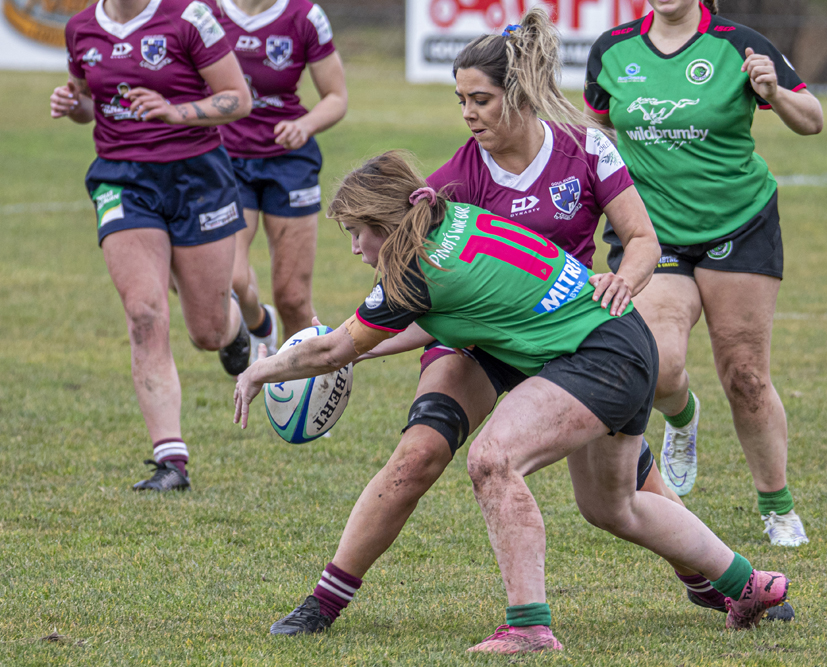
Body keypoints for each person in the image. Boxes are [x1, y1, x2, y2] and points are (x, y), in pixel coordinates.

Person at [262, 10, 789, 636]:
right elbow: (419, 293)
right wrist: (351, 347)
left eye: (479, 99)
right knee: (418, 453)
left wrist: (626, 280)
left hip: (567, 330)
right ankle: (324, 602)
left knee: (621, 485)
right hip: (480, 339)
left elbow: (642, 239)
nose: (467, 113)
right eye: (459, 100)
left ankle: (716, 581)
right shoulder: (453, 182)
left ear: (517, 94)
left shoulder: (584, 146)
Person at [584, 0, 823, 546]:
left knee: (746, 376)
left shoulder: (738, 44)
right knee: (660, 367)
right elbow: (595, 135)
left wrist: (775, 92)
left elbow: (813, 120)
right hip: (654, 234)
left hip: (740, 225)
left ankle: (777, 505)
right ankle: (682, 416)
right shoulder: (612, 50)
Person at [52, 0, 253, 491]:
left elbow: (238, 98)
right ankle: (171, 461)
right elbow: (90, 103)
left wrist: (174, 111)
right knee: (144, 310)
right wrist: (73, 107)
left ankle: (233, 326)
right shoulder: (81, 28)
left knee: (207, 331)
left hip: (196, 177)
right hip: (121, 179)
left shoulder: (189, 17)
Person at [215, 0, 348, 358]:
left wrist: (305, 125)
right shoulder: (207, 12)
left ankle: (298, 382)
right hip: (227, 160)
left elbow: (337, 97)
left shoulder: (305, 16)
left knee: (293, 297)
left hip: (289, 163)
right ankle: (260, 324)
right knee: (231, 280)